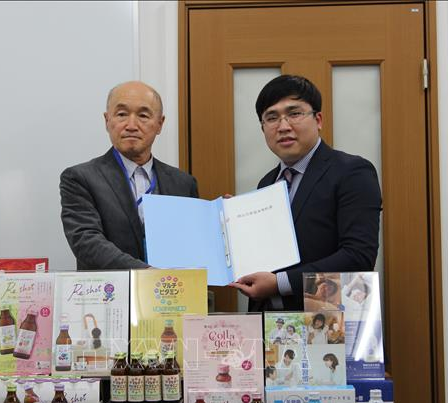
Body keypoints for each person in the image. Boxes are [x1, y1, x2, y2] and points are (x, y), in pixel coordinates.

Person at [229, 75, 382, 312]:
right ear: (263, 128)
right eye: (272, 117)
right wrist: (237, 225)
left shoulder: (352, 172)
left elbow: (358, 256)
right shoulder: (266, 184)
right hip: (268, 323)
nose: (283, 126)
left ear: (318, 120)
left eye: (294, 113)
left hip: (328, 323)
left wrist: (279, 283)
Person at [60, 81, 199, 270]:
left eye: (143, 115)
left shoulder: (183, 183)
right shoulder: (80, 178)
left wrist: (226, 221)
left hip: (172, 288)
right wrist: (149, 274)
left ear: (160, 124)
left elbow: (192, 242)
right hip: (111, 288)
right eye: (122, 114)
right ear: (107, 120)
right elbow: (87, 242)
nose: (131, 125)